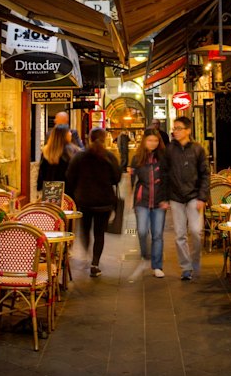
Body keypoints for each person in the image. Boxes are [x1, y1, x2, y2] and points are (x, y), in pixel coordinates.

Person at [66, 127, 122, 277]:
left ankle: (86, 253)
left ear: (89, 138)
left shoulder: (79, 156)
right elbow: (117, 178)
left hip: (84, 200)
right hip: (104, 201)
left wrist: (76, 190)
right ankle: (95, 263)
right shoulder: (109, 156)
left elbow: (70, 177)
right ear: (104, 139)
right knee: (99, 233)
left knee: (85, 229)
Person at [162, 116, 209, 281]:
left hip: (194, 196)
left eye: (179, 128)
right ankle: (186, 268)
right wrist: (165, 197)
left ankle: (195, 261)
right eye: (174, 128)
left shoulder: (198, 149)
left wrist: (202, 197)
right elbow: (164, 174)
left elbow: (205, 174)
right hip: (176, 197)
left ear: (188, 130)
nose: (175, 131)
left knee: (196, 232)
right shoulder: (169, 150)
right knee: (180, 235)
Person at [129, 128, 168, 278]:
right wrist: (133, 197)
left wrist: (166, 198)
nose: (153, 143)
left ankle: (157, 265)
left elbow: (167, 180)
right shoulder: (137, 158)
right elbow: (132, 179)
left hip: (159, 201)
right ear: (144, 141)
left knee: (157, 234)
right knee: (142, 231)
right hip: (142, 201)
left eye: (156, 140)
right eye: (150, 140)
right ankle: (145, 255)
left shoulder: (163, 158)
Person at [36, 125, 76, 194]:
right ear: (64, 135)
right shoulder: (71, 151)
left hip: (51, 190)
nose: (71, 134)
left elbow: (42, 172)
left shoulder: (47, 151)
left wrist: (39, 187)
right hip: (68, 191)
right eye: (69, 131)